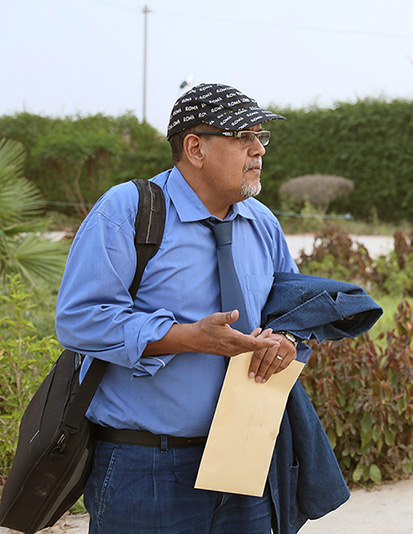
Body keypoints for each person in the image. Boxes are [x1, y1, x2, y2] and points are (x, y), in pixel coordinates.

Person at [56, 83, 347, 533]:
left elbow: (293, 311)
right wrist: (188, 338)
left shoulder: (262, 222)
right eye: (243, 136)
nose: (258, 150)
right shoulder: (129, 210)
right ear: (195, 147)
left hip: (245, 458)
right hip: (145, 465)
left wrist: (287, 341)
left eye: (261, 137)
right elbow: (80, 320)